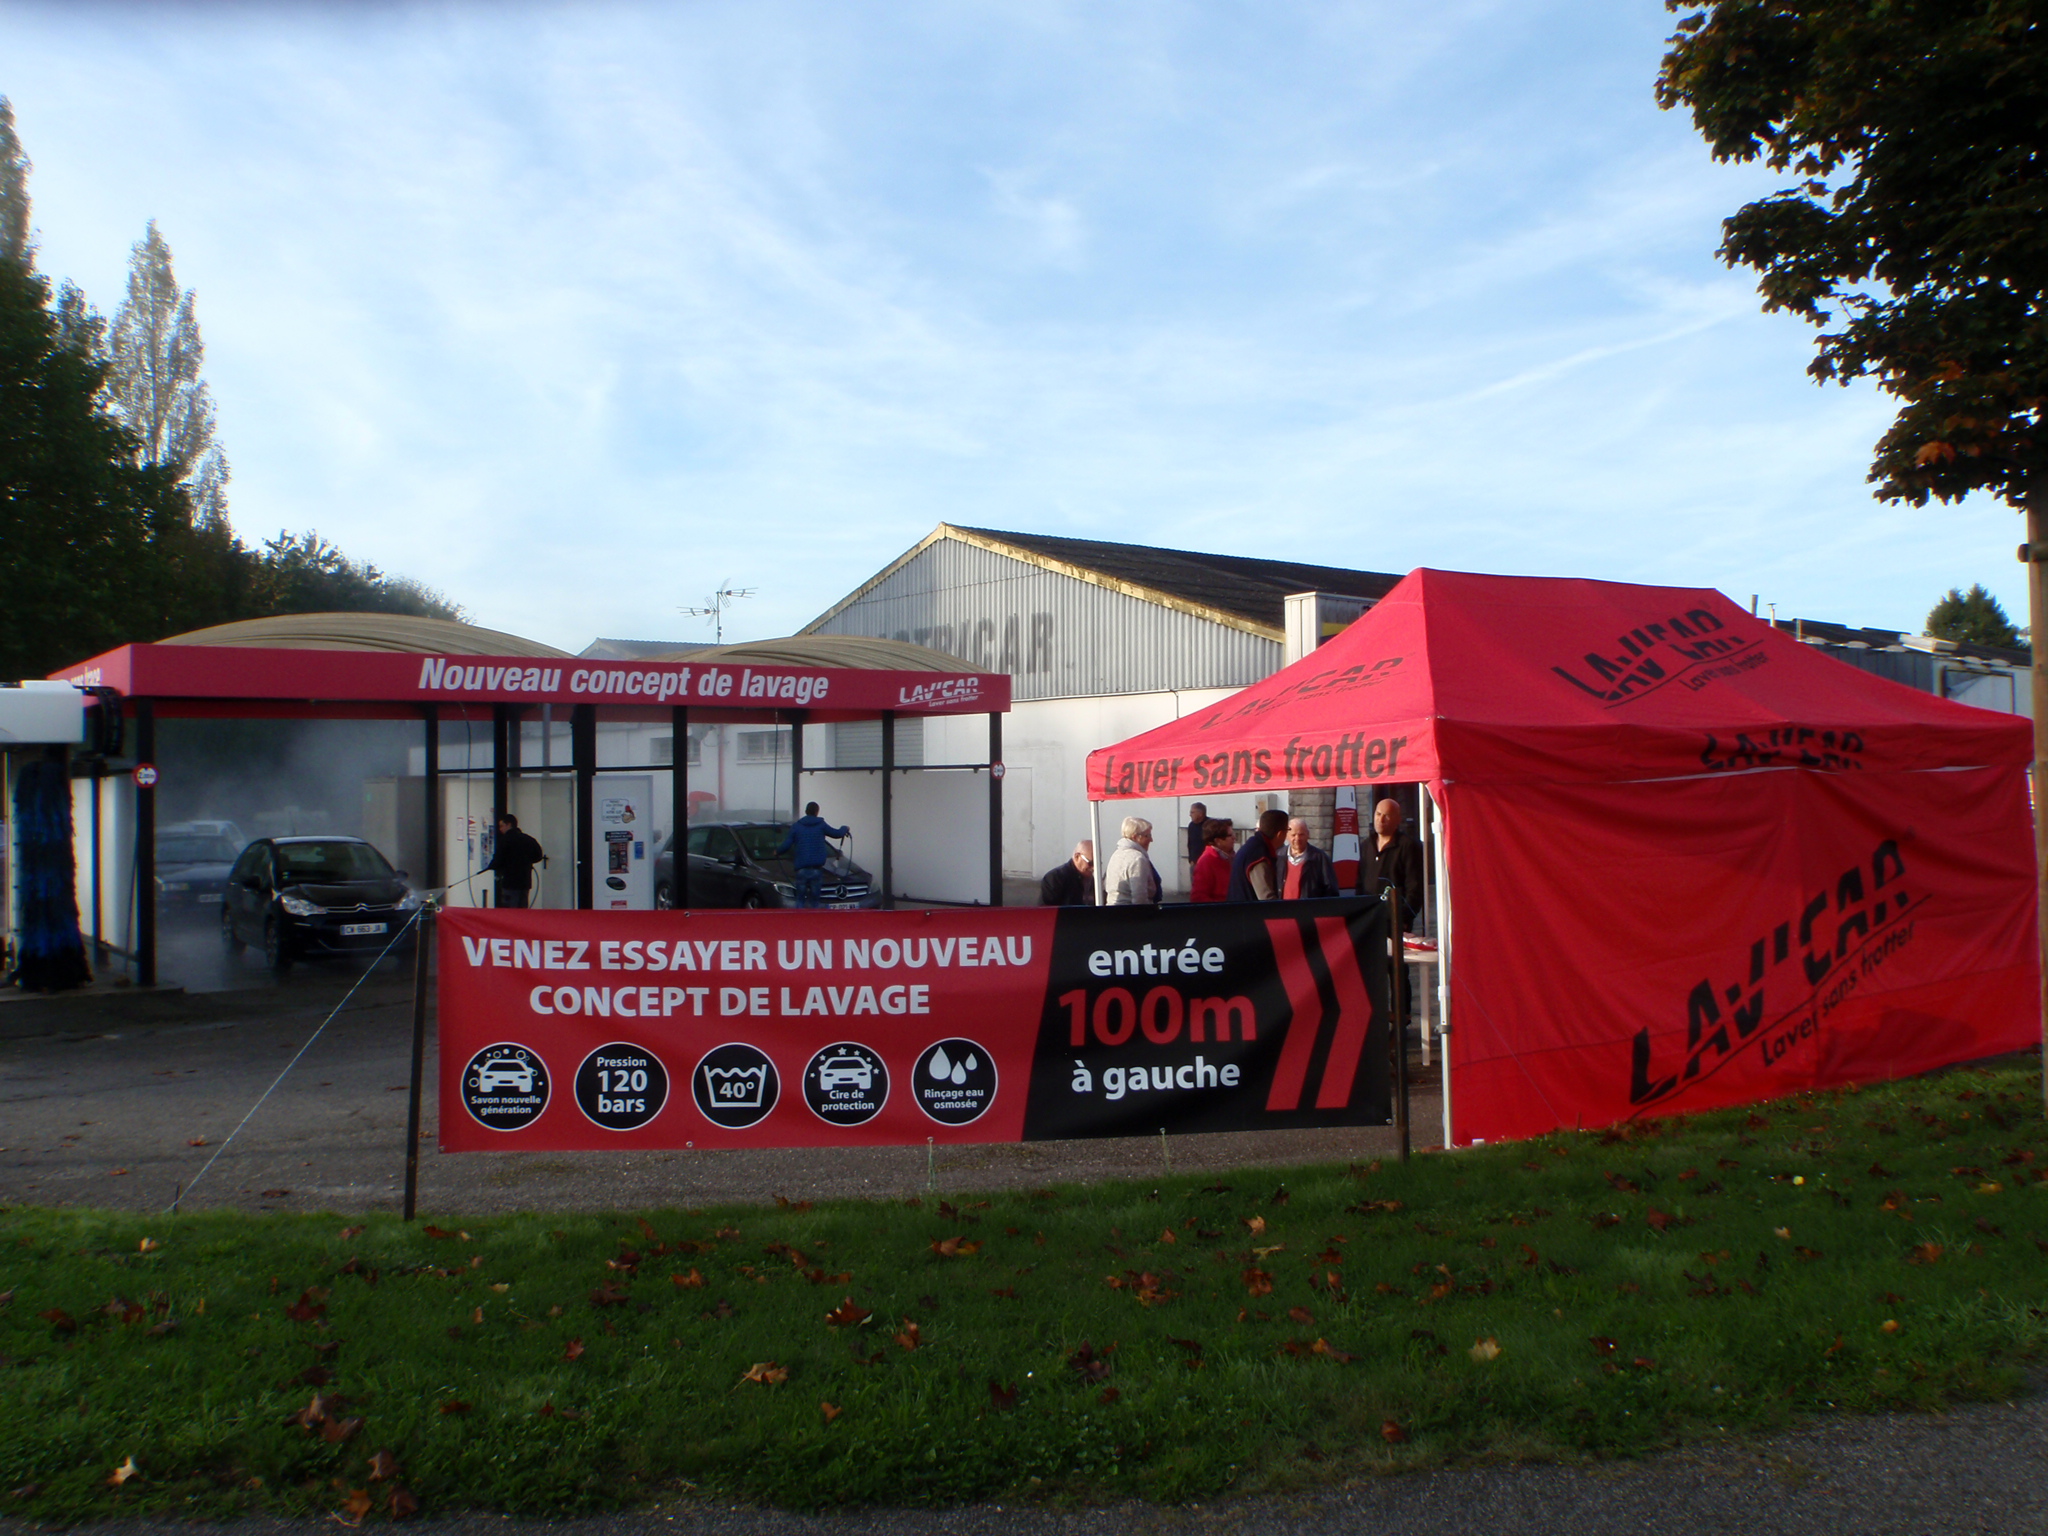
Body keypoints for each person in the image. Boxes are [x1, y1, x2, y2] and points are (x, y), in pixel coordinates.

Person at [775, 801, 850, 909]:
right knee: (815, 901)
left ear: (806, 811)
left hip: (801, 869)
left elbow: (787, 844)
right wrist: (845, 828)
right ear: (817, 812)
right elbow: (837, 833)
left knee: (800, 899)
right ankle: (814, 922)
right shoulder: (821, 825)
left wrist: (777, 852)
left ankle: (799, 921)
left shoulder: (796, 826)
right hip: (816, 868)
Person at [1369, 798, 1425, 931]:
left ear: (1397, 820)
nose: (1380, 820)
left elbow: (1414, 888)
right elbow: (1360, 884)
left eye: (1386, 816)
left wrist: (1404, 919)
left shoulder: (1408, 846)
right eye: (1378, 814)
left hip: (1396, 923)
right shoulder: (1366, 845)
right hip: (1370, 921)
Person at [1227, 808, 1291, 901]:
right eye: (1287, 831)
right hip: (1247, 913)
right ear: (1280, 834)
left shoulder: (1251, 846)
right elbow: (1266, 898)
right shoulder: (1259, 856)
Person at [484, 812, 545, 909]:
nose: (500, 829)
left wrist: (491, 867)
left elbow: (498, 859)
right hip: (525, 881)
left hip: (510, 881)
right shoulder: (528, 839)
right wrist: (527, 862)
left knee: (510, 909)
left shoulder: (505, 840)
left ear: (508, 824)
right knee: (523, 908)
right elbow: (538, 856)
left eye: (501, 826)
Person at [1101, 816, 1161, 905]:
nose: (1151, 840)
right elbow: (1139, 896)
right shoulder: (1137, 859)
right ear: (1135, 837)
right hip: (1129, 913)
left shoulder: (1116, 854)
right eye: (1147, 836)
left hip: (1112, 911)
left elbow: (1106, 885)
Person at [1280, 816, 1340, 900]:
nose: (1297, 838)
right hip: (1283, 911)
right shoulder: (1279, 857)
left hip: (1309, 910)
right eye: (1293, 835)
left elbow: (1331, 889)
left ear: (1308, 835)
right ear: (1287, 836)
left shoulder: (1319, 858)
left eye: (1301, 834)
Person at [1189, 818, 1234, 903]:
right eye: (1230, 835)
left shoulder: (1229, 857)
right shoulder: (1207, 861)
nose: (1234, 838)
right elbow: (1198, 897)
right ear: (1218, 841)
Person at [1039, 840, 1096, 906]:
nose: (1094, 868)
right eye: (1091, 863)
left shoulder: (1093, 881)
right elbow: (1046, 911)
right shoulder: (1055, 878)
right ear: (1077, 857)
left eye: (1097, 863)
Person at [1184, 802, 1209, 869]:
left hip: (1207, 863)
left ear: (1200, 814)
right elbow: (1190, 844)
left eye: (1192, 812)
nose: (1190, 815)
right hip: (1195, 863)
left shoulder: (1209, 825)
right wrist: (1191, 859)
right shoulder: (1191, 825)